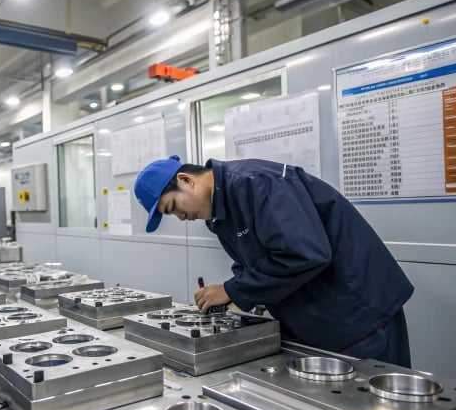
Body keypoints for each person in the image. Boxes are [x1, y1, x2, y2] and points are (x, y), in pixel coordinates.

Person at [133, 155, 413, 367]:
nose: (181, 218)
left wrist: (234, 290)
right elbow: (253, 261)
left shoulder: (256, 183)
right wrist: (230, 293)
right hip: (318, 320)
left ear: (185, 180)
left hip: (359, 317)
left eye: (173, 208)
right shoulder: (220, 214)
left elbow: (305, 254)